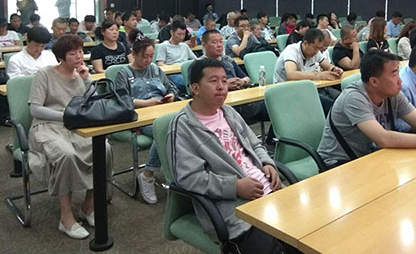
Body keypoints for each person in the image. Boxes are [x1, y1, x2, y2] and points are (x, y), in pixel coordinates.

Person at [167, 58, 291, 254]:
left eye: (224, 81)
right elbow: (188, 178)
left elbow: (255, 144)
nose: (221, 87)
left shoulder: (229, 112)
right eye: (213, 81)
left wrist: (267, 163)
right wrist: (235, 187)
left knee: (310, 236)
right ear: (195, 88)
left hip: (271, 192)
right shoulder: (183, 126)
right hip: (237, 208)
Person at [28, 35, 111, 239]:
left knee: (104, 149)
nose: (79, 56)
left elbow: (92, 105)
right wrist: (65, 116)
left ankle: (88, 206)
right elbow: (35, 109)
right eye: (73, 53)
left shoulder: (81, 75)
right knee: (66, 155)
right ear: (61, 57)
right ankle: (66, 218)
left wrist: (87, 80)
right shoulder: (45, 74)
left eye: (81, 52)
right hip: (48, 126)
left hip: (76, 127)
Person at [317, 50, 416, 167]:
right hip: (339, 164)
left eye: (398, 73)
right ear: (374, 81)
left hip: (371, 158)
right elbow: (383, 139)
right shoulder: (354, 98)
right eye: (394, 74)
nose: (400, 80)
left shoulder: (393, 94)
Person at [114, 30, 179, 205]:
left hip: (162, 112)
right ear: (134, 54)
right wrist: (144, 103)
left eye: (151, 56)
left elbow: (171, 87)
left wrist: (171, 95)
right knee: (167, 131)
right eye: (144, 56)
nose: (148, 60)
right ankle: (148, 175)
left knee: (180, 128)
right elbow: (121, 100)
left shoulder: (155, 70)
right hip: (140, 118)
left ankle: (179, 175)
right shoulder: (124, 73)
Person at [273, 28, 342, 114]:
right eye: (315, 48)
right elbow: (291, 74)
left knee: (340, 101)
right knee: (330, 106)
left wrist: (334, 69)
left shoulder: (315, 52)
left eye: (319, 48)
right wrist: (319, 76)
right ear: (305, 43)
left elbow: (328, 66)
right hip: (285, 92)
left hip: (305, 89)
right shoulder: (291, 51)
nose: (317, 51)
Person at [156, 20, 197, 93]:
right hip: (172, 74)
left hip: (186, 72)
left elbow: (195, 60)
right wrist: (173, 67)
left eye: (183, 34)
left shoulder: (184, 46)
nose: (182, 37)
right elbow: (160, 64)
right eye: (179, 34)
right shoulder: (163, 46)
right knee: (189, 83)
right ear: (172, 32)